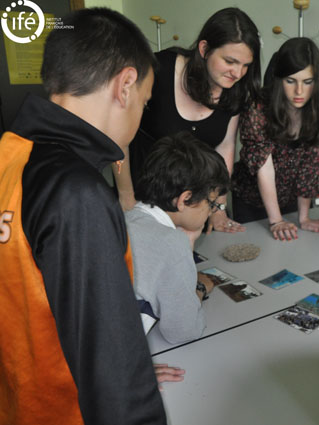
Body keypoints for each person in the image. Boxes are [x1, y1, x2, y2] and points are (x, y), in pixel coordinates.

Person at [0, 8, 166, 424]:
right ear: (125, 85)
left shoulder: (8, 155)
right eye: (145, 101)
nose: (140, 114)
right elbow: (115, 378)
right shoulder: (76, 192)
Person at [114, 7, 261, 233]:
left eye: (245, 65)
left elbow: (225, 146)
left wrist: (218, 206)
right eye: (230, 61)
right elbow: (120, 136)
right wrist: (126, 195)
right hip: (143, 199)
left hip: (194, 208)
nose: (238, 73)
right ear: (204, 49)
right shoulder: (159, 70)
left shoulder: (236, 90)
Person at [126, 131, 229, 344]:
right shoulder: (170, 243)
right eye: (211, 204)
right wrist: (199, 288)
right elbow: (183, 331)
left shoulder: (126, 218)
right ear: (184, 199)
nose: (211, 211)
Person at [232, 37, 319, 241]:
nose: (299, 91)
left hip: (289, 199)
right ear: (279, 79)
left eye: (308, 82)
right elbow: (264, 167)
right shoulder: (257, 108)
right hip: (251, 201)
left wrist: (304, 217)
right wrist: (276, 221)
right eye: (290, 81)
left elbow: (312, 164)